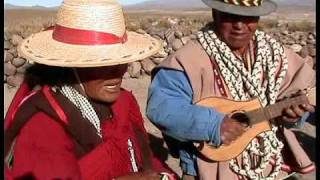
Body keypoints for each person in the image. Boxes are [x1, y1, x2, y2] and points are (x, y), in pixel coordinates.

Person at [4, 0, 177, 179]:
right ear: (72, 65)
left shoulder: (124, 102)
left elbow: (145, 158)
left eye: (121, 60)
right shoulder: (43, 124)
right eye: (103, 63)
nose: (118, 73)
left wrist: (164, 176)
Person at [146, 0, 315, 179]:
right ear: (215, 13)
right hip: (207, 169)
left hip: (271, 166)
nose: (239, 26)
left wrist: (293, 116)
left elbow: (301, 95)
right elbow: (161, 108)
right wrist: (213, 125)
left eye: (248, 17)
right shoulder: (187, 61)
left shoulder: (276, 56)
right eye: (230, 16)